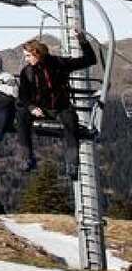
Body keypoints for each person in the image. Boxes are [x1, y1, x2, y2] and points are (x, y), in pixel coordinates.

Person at [15, 31, 97, 174]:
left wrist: (83, 41)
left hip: (60, 107)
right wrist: (31, 107)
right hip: (39, 108)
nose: (26, 59)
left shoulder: (58, 64)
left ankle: (72, 164)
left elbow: (89, 59)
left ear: (37, 53)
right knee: (22, 116)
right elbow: (23, 95)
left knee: (70, 122)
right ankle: (26, 158)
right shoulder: (26, 72)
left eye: (28, 56)